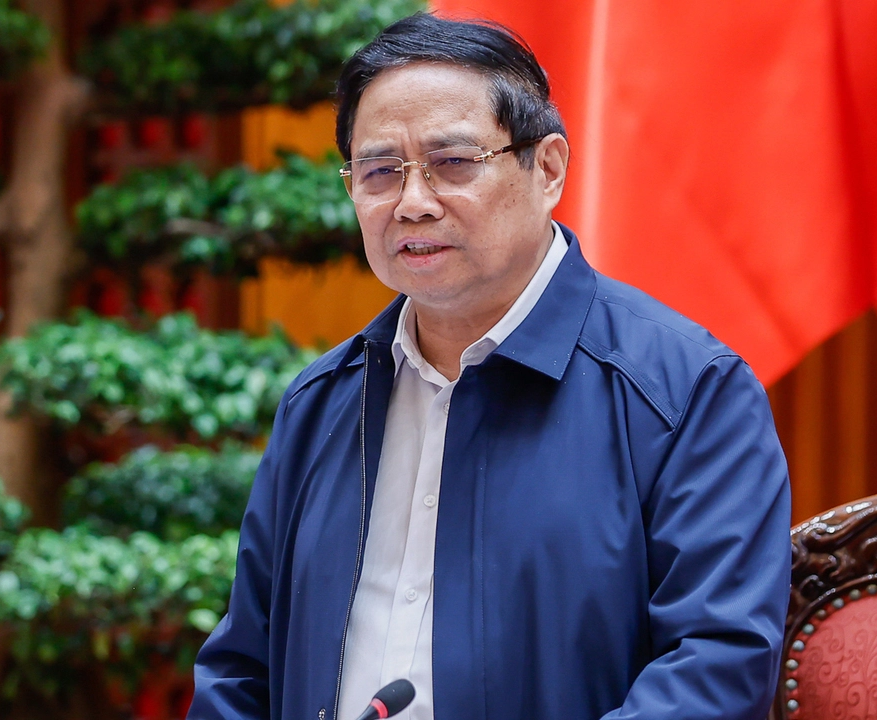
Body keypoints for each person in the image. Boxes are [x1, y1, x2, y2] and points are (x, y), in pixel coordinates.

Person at [189, 12, 791, 720]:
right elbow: (241, 669)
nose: (413, 204)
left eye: (453, 163)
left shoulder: (687, 392)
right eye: (380, 172)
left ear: (548, 168)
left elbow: (716, 668)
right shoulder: (322, 400)